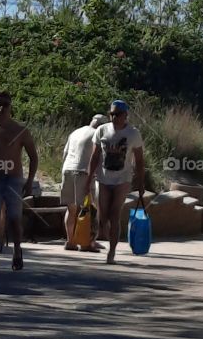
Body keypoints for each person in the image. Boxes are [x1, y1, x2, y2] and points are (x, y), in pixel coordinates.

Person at [0, 91, 38, 272]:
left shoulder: (20, 131)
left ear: (11, 107)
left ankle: (17, 250)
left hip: (13, 178)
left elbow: (33, 157)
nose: (2, 108)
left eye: (5, 105)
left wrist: (29, 181)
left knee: (14, 218)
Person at [85, 101, 145, 264]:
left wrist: (141, 183)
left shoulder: (133, 134)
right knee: (103, 216)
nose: (114, 117)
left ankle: (111, 252)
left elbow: (139, 160)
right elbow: (95, 156)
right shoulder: (101, 130)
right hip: (103, 178)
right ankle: (98, 236)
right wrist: (88, 179)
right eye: (111, 114)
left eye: (117, 114)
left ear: (125, 115)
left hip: (122, 180)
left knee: (114, 214)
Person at [61, 115, 104, 252]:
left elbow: (65, 153)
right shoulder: (98, 134)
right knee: (87, 209)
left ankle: (70, 241)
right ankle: (86, 243)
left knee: (71, 209)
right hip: (83, 172)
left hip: (67, 169)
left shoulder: (76, 132)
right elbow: (99, 157)